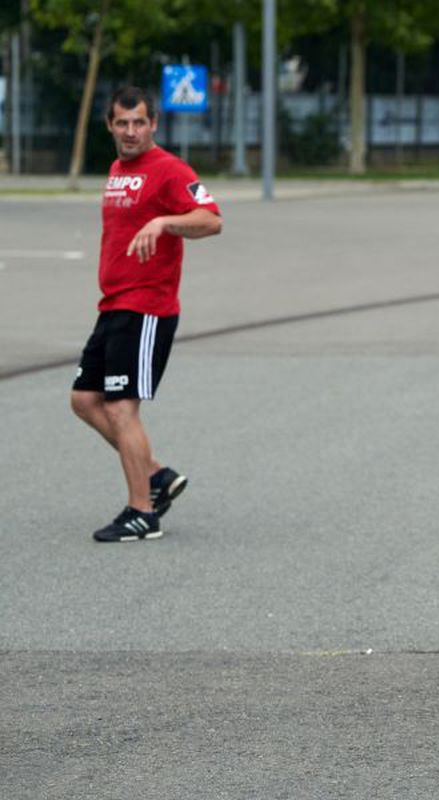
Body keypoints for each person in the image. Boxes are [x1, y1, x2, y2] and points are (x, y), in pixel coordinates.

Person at [70, 86, 222, 542]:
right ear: (110, 126)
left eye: (139, 122)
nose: (131, 131)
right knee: (84, 399)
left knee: (120, 407)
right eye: (122, 123)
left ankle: (142, 512)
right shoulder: (118, 169)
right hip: (114, 303)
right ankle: (155, 475)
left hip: (147, 306)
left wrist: (164, 222)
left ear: (154, 123)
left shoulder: (170, 170)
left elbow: (211, 219)